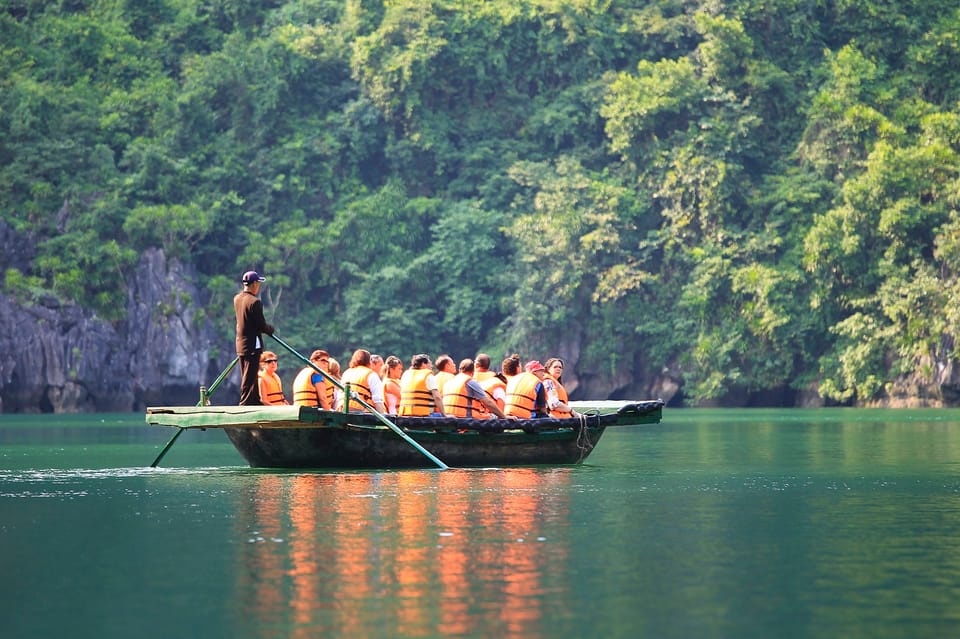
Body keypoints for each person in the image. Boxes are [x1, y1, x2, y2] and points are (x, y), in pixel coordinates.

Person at [234, 270, 275, 405]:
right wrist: (270, 330)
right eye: (258, 283)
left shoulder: (237, 299)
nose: (258, 287)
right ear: (255, 284)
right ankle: (245, 402)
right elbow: (261, 325)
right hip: (252, 344)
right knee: (249, 376)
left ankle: (255, 400)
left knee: (248, 373)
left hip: (241, 343)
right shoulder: (255, 302)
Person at [442, 358, 510, 419]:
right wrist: (504, 416)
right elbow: (487, 402)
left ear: (460, 370)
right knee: (493, 417)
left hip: (449, 418)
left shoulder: (449, 382)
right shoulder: (470, 381)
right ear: (473, 372)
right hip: (465, 420)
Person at [340, 349, 386, 413]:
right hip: (362, 412)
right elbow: (377, 400)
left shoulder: (346, 372)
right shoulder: (371, 374)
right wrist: (382, 417)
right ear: (368, 361)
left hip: (343, 409)